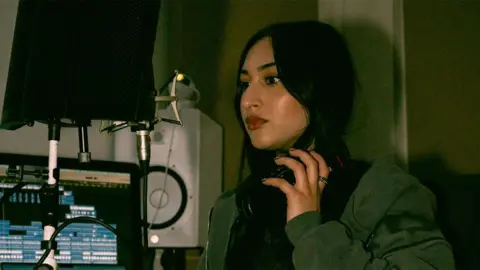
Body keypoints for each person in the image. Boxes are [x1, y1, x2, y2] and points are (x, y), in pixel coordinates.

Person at [197, 20, 455, 270]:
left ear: (318, 85)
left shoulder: (385, 194)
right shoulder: (231, 209)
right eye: (244, 84)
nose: (247, 101)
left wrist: (311, 230)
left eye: (271, 79)